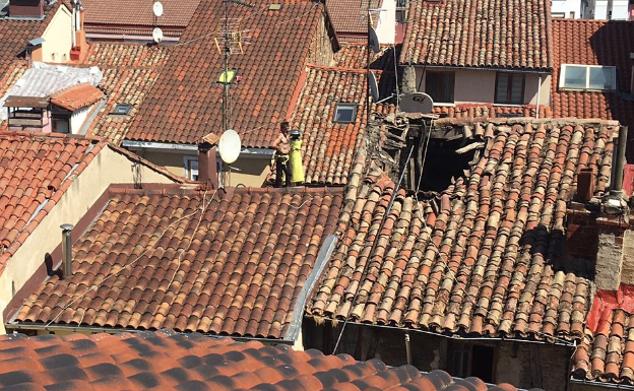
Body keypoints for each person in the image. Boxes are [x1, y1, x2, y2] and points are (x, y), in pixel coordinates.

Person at [272, 121, 291, 187]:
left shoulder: (288, 136)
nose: (287, 129)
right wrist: (280, 149)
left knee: (288, 173)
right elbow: (273, 145)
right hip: (281, 157)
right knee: (280, 173)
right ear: (282, 129)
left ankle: (288, 186)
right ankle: (278, 186)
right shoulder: (281, 136)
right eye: (286, 128)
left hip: (287, 157)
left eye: (288, 128)